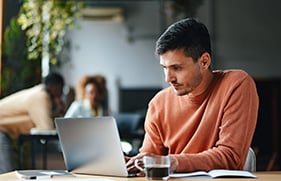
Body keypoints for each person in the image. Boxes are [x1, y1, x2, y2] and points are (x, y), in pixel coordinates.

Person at [126, 18, 259, 175]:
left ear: (204, 62)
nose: (168, 79)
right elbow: (149, 161)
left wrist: (172, 162)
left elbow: (230, 157)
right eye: (164, 68)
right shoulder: (159, 103)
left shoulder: (236, 85)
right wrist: (131, 163)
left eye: (176, 68)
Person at [0, 72, 65, 173]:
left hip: (4, 131)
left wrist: (58, 110)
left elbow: (41, 120)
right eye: (61, 88)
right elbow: (46, 128)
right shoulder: (41, 96)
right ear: (54, 87)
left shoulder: (39, 93)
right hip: (1, 131)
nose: (62, 93)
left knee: (6, 172)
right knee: (7, 173)